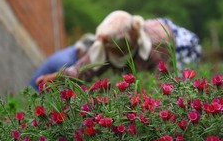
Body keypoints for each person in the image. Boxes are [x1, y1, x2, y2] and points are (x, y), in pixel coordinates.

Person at [35, 10, 202, 85]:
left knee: (182, 85)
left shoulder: (156, 45)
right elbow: (81, 70)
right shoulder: (107, 41)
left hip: (181, 46)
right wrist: (56, 77)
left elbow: (164, 82)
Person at [29, 33, 95, 91]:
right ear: (80, 50)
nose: (85, 60)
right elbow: (61, 86)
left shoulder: (71, 50)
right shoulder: (68, 61)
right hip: (36, 89)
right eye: (85, 55)